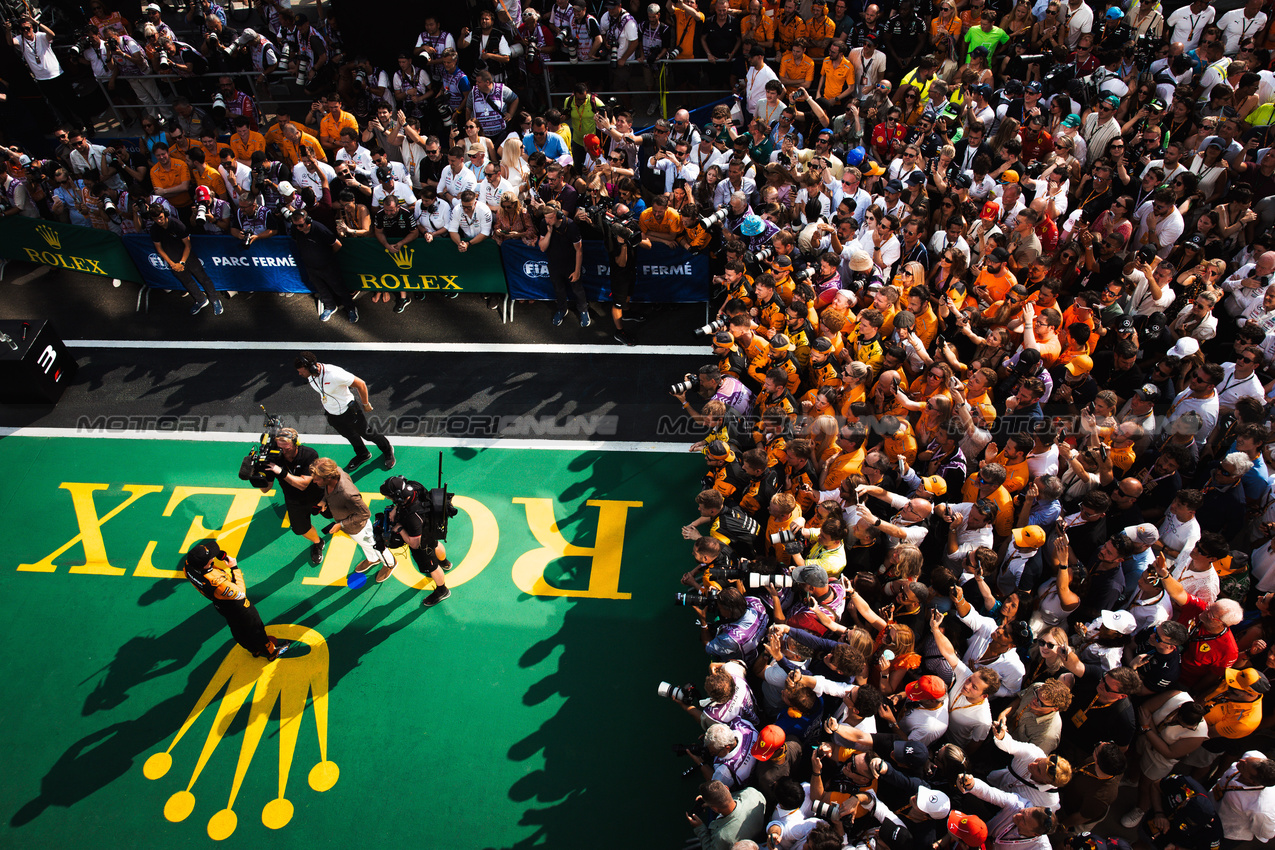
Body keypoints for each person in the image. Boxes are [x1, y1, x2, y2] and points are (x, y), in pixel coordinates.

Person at [183, 542, 289, 660]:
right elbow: (240, 593)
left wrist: (215, 558)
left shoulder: (188, 566)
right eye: (211, 557)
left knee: (238, 630)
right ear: (205, 564)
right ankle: (271, 652)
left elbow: (204, 570)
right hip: (238, 607)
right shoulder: (219, 584)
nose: (214, 556)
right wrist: (234, 567)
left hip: (221, 605)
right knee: (256, 629)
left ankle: (254, 650)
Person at [293, 352, 394, 471]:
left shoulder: (334, 374)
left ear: (311, 367)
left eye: (301, 371)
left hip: (349, 410)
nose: (300, 374)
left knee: (368, 434)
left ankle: (387, 450)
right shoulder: (311, 375)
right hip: (332, 413)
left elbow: (360, 384)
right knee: (350, 435)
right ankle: (363, 454)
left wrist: (365, 404)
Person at [380, 476, 453, 607]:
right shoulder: (413, 486)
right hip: (430, 526)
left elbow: (414, 543)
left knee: (432, 566)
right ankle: (445, 562)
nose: (387, 498)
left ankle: (442, 590)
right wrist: (396, 509)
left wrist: (400, 529)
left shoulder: (413, 517)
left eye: (389, 496)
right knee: (435, 544)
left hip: (421, 539)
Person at [257, 428, 326, 564]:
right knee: (301, 529)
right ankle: (318, 542)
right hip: (294, 500)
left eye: (286, 444)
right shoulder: (272, 459)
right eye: (279, 444)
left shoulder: (309, 454)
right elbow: (266, 489)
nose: (282, 448)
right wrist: (256, 476)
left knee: (335, 514)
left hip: (317, 494)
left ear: (296, 443)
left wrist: (280, 471)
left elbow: (303, 484)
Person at [308, 457, 385, 575]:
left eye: (317, 479)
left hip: (358, 527)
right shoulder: (336, 471)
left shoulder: (347, 494)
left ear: (328, 477)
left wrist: (341, 524)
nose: (314, 482)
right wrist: (324, 500)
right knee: (365, 544)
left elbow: (365, 513)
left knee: (369, 544)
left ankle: (385, 562)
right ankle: (372, 558)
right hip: (349, 524)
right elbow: (329, 490)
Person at [149, 204, 223, 316]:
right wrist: (172, 264)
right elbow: (159, 248)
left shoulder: (177, 224)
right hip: (173, 262)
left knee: (203, 278)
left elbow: (188, 245)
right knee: (187, 282)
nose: (159, 221)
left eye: (160, 217)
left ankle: (214, 299)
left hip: (188, 258)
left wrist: (182, 262)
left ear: (165, 214)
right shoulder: (154, 229)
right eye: (155, 219)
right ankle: (201, 300)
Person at [289, 210, 357, 323]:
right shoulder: (295, 229)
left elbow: (337, 245)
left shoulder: (320, 229)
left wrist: (327, 257)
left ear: (308, 221)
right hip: (310, 266)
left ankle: (350, 308)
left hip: (327, 266)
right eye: (295, 225)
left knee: (339, 289)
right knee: (321, 289)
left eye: (301, 225)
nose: (298, 228)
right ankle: (330, 306)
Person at [537, 200, 589, 328]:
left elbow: (579, 250)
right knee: (558, 289)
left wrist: (577, 271)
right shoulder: (545, 224)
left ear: (558, 214)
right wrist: (549, 232)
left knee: (577, 289)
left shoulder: (571, 226)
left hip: (570, 264)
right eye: (546, 218)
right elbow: (542, 248)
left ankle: (583, 310)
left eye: (550, 217)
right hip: (554, 264)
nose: (547, 220)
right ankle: (562, 309)